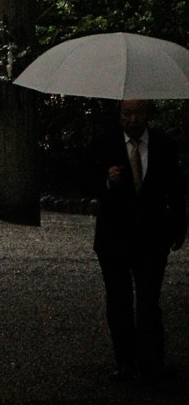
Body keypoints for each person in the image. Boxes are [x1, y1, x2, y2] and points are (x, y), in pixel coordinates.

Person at [90, 99, 186, 384]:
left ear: (147, 114)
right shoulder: (105, 144)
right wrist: (106, 181)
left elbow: (175, 189)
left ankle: (151, 362)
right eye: (127, 114)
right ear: (119, 115)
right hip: (114, 237)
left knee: (148, 301)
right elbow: (83, 179)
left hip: (151, 236)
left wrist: (179, 227)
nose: (132, 120)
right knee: (118, 301)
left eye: (137, 113)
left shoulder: (164, 146)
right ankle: (126, 363)